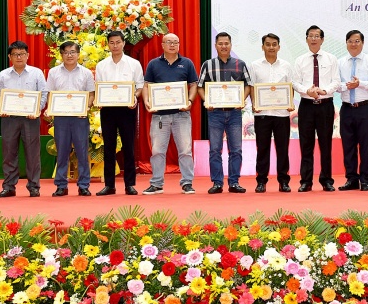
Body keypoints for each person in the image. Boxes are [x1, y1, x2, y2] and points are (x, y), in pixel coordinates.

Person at [142, 33, 199, 195]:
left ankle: (187, 182)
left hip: (182, 115)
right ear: (162, 45)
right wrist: (147, 101)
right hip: (159, 115)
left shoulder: (187, 63)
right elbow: (146, 86)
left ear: (179, 45)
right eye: (169, 42)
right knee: (157, 151)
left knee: (185, 150)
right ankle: (156, 183)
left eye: (175, 42)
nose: (172, 45)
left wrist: (189, 101)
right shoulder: (153, 64)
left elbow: (194, 85)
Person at [198, 32, 252, 194]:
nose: (223, 46)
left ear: (231, 45)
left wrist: (242, 100)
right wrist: (207, 101)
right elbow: (200, 87)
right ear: (215, 45)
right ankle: (217, 183)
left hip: (235, 113)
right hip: (215, 113)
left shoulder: (240, 64)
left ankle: (234, 182)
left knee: (236, 149)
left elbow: (248, 85)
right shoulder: (207, 64)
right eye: (220, 43)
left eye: (226, 43)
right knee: (215, 149)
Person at [94, 31, 145, 196]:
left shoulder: (134, 64)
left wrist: (134, 97)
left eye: (118, 42)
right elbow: (98, 87)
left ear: (123, 43)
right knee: (108, 147)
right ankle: (109, 185)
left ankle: (130, 184)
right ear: (107, 44)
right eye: (112, 43)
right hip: (107, 110)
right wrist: (99, 100)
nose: (115, 46)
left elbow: (140, 86)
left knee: (129, 146)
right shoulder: (101, 65)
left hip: (127, 109)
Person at [0, 41, 48, 198]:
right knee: (9, 153)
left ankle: (34, 186)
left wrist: (37, 110)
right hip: (9, 118)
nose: (19, 57)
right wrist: (0, 108)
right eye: (15, 54)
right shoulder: (3, 74)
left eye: (22, 54)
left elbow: (43, 93)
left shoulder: (36, 73)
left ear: (27, 55)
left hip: (30, 119)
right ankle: (9, 186)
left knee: (32, 154)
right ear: (9, 57)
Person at [292, 25, 340, 192]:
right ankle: (306, 181)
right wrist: (308, 91)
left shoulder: (331, 59)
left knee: (326, 145)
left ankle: (327, 180)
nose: (313, 39)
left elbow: (336, 81)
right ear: (306, 39)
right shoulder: (300, 60)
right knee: (306, 145)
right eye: (310, 36)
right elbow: (295, 82)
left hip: (325, 106)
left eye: (317, 36)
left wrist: (323, 91)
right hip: (306, 106)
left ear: (322, 39)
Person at [45, 41, 95, 196]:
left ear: (78, 54)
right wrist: (50, 108)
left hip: (80, 117)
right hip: (61, 118)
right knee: (62, 152)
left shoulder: (86, 73)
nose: (69, 55)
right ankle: (61, 185)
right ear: (61, 55)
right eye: (66, 52)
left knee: (82, 151)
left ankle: (84, 185)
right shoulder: (53, 72)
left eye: (72, 52)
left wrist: (86, 108)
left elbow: (91, 95)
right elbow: (50, 94)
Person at [336, 30, 368, 191]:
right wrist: (346, 86)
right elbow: (336, 85)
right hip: (347, 108)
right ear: (346, 43)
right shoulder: (340, 62)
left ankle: (365, 179)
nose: (353, 44)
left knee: (366, 145)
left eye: (357, 41)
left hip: (365, 108)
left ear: (362, 43)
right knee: (348, 145)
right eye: (350, 41)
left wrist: (359, 84)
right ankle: (351, 179)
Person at [250, 33, 295, 193]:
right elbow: (252, 87)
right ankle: (261, 181)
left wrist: (290, 103)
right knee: (262, 149)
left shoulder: (286, 66)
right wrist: (254, 104)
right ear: (262, 47)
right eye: (268, 44)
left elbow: (290, 87)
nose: (271, 47)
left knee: (282, 149)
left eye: (274, 44)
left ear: (279, 47)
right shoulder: (254, 65)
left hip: (282, 114)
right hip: (262, 114)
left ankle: (283, 181)